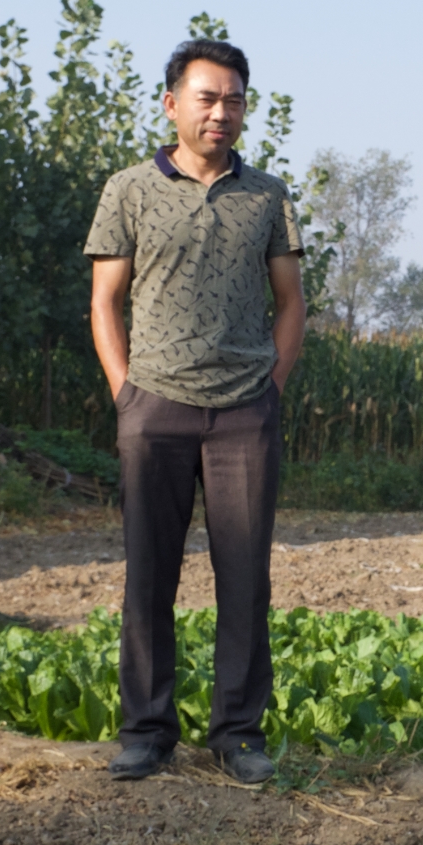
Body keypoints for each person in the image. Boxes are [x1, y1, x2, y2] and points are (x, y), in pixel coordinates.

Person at [84, 39, 307, 785]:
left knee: (244, 576)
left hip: (244, 413)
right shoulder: (128, 190)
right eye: (207, 97)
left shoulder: (268, 197)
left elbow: (290, 304)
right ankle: (147, 731)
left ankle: (238, 733)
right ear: (172, 103)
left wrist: (268, 390)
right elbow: (105, 302)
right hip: (155, 409)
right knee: (150, 574)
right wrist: (126, 395)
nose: (221, 111)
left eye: (235, 99)